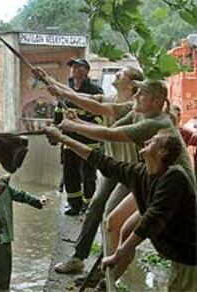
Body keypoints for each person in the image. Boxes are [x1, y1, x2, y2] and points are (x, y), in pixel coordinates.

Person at [44, 127, 196, 292]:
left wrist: (118, 254)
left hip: (189, 254)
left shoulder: (174, 178)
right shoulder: (140, 173)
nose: (146, 141)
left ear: (162, 152)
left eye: (153, 141)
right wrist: (63, 139)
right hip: (175, 250)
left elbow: (151, 220)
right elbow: (102, 161)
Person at [34, 66, 144, 275]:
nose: (117, 74)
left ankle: (108, 266)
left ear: (132, 85)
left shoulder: (132, 106)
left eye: (122, 73)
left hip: (132, 172)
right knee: (95, 208)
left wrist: (73, 125)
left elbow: (95, 108)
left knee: (112, 217)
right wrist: (48, 79)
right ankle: (79, 259)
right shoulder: (111, 98)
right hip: (113, 168)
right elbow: (79, 96)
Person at [0, 162, 47, 291]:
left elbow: (21, 195)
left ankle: (4, 289)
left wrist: (38, 201)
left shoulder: (4, 188)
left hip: (4, 234)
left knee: (4, 268)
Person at [54, 58, 104, 216]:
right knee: (70, 176)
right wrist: (56, 132)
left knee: (88, 176)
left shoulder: (95, 91)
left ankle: (88, 206)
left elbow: (100, 118)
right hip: (69, 142)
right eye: (73, 66)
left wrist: (80, 124)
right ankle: (74, 205)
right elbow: (58, 114)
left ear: (87, 71)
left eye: (78, 66)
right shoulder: (66, 90)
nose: (74, 69)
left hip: (89, 144)